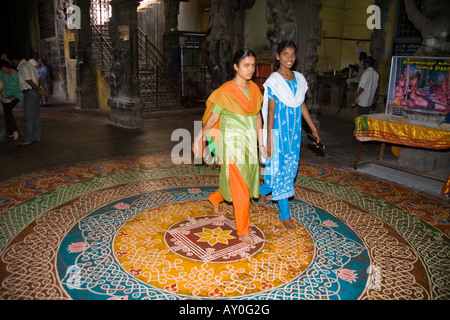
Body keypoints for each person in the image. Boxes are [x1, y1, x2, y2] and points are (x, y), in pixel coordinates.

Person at [192, 48, 264, 244]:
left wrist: (261, 143)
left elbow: (258, 117)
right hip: (232, 144)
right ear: (236, 66)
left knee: (245, 182)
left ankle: (215, 198)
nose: (251, 69)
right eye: (246, 65)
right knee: (241, 188)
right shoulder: (225, 92)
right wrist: (198, 138)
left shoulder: (256, 90)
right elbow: (212, 119)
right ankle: (243, 230)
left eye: (253, 65)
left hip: (249, 145)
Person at [259, 40, 321, 230]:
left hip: (294, 135)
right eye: (285, 54)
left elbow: (301, 105)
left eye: (293, 54)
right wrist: (268, 140)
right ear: (278, 56)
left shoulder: (300, 79)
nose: (290, 58)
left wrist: (313, 129)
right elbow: (270, 112)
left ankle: (261, 190)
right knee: (280, 170)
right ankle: (284, 213)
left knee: (289, 169)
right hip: (278, 133)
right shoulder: (273, 82)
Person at [8, 51, 47, 145]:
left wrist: (39, 90)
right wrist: (40, 88)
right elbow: (39, 78)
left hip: (30, 92)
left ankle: (29, 138)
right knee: (35, 115)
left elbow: (28, 80)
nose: (12, 63)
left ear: (15, 60)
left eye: (12, 61)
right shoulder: (29, 64)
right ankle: (36, 136)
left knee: (29, 116)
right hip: (35, 91)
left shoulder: (22, 67)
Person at [0, 59, 24, 140]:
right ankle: (11, 131)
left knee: (8, 111)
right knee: (6, 112)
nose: (4, 72)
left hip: (16, 95)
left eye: (4, 69)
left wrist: (15, 96)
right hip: (5, 95)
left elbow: (22, 87)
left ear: (8, 67)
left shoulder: (16, 74)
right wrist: (1, 93)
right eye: (2, 71)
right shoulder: (1, 73)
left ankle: (15, 130)